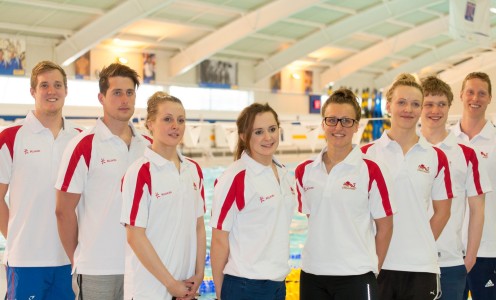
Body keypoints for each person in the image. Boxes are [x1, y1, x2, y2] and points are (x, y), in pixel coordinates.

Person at [55, 63, 151, 300]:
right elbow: (63, 210)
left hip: (142, 266)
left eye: (130, 93)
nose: (124, 99)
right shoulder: (84, 145)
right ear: (101, 97)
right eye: (117, 93)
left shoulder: (149, 145)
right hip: (98, 269)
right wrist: (79, 257)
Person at [295, 88, 395, 299]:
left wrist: (372, 267)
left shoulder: (371, 170)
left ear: (356, 126)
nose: (338, 127)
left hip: (356, 275)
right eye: (332, 120)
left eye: (346, 121)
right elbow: (314, 218)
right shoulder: (304, 171)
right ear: (323, 123)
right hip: (312, 274)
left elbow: (385, 226)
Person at [362, 73, 454, 300]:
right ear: (388, 105)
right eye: (401, 102)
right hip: (375, 263)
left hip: (421, 266)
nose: (408, 109)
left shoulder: (436, 157)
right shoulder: (366, 155)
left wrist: (419, 242)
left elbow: (443, 211)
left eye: (415, 104)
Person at [0, 60, 81, 299]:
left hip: (71, 259)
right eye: (44, 85)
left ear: (66, 91)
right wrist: (16, 236)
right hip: (25, 260)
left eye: (57, 85)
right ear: (33, 91)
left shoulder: (80, 139)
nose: (51, 91)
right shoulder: (11, 138)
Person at [121, 92, 206, 300]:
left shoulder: (193, 169)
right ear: (150, 124)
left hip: (186, 287)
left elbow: (198, 225)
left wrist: (199, 273)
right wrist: (170, 284)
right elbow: (134, 235)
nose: (175, 125)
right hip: (148, 291)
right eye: (167, 119)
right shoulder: (140, 172)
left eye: (181, 120)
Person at [210, 103, 296, 300]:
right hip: (245, 285)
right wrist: (220, 292)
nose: (268, 137)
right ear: (243, 136)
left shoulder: (282, 171)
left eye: (272, 129)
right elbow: (218, 239)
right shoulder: (235, 177)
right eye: (258, 132)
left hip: (277, 283)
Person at [419, 76, 491, 300]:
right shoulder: (405, 150)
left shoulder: (465, 153)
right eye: (428, 104)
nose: (435, 110)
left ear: (450, 106)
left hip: (452, 261)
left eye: (441, 104)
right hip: (409, 262)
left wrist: (469, 257)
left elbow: (478, 209)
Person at [451, 72, 496, 300]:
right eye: (470, 91)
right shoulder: (446, 140)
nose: (475, 98)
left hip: (489, 249)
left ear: (489, 98)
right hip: (450, 249)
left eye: (481, 93)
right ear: (461, 95)